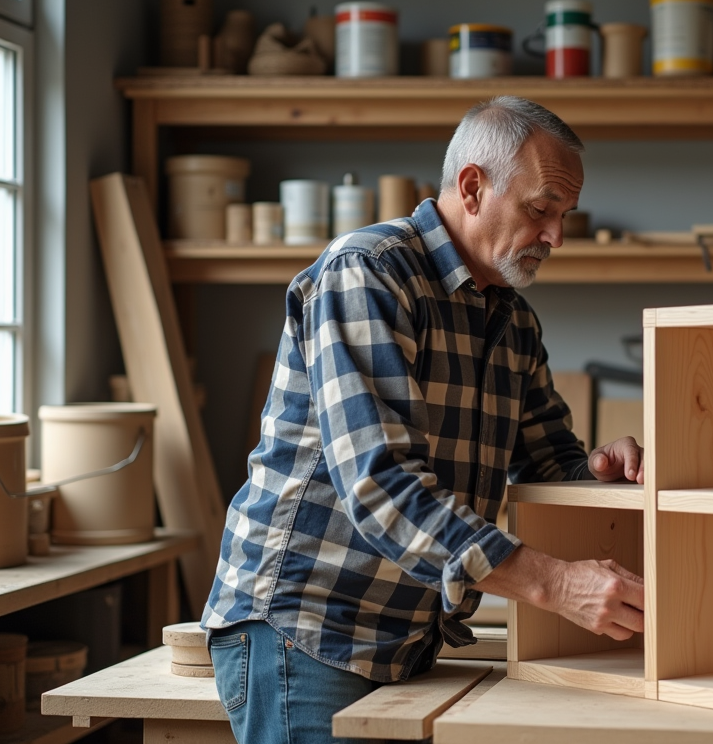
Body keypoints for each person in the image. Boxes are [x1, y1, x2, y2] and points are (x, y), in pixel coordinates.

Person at [202, 96, 645, 743]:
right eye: (540, 209)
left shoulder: (512, 320)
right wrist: (554, 584)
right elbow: (382, 486)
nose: (556, 236)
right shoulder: (369, 272)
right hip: (308, 626)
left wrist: (600, 470)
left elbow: (551, 462)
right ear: (472, 187)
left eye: (564, 216)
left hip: (404, 635)